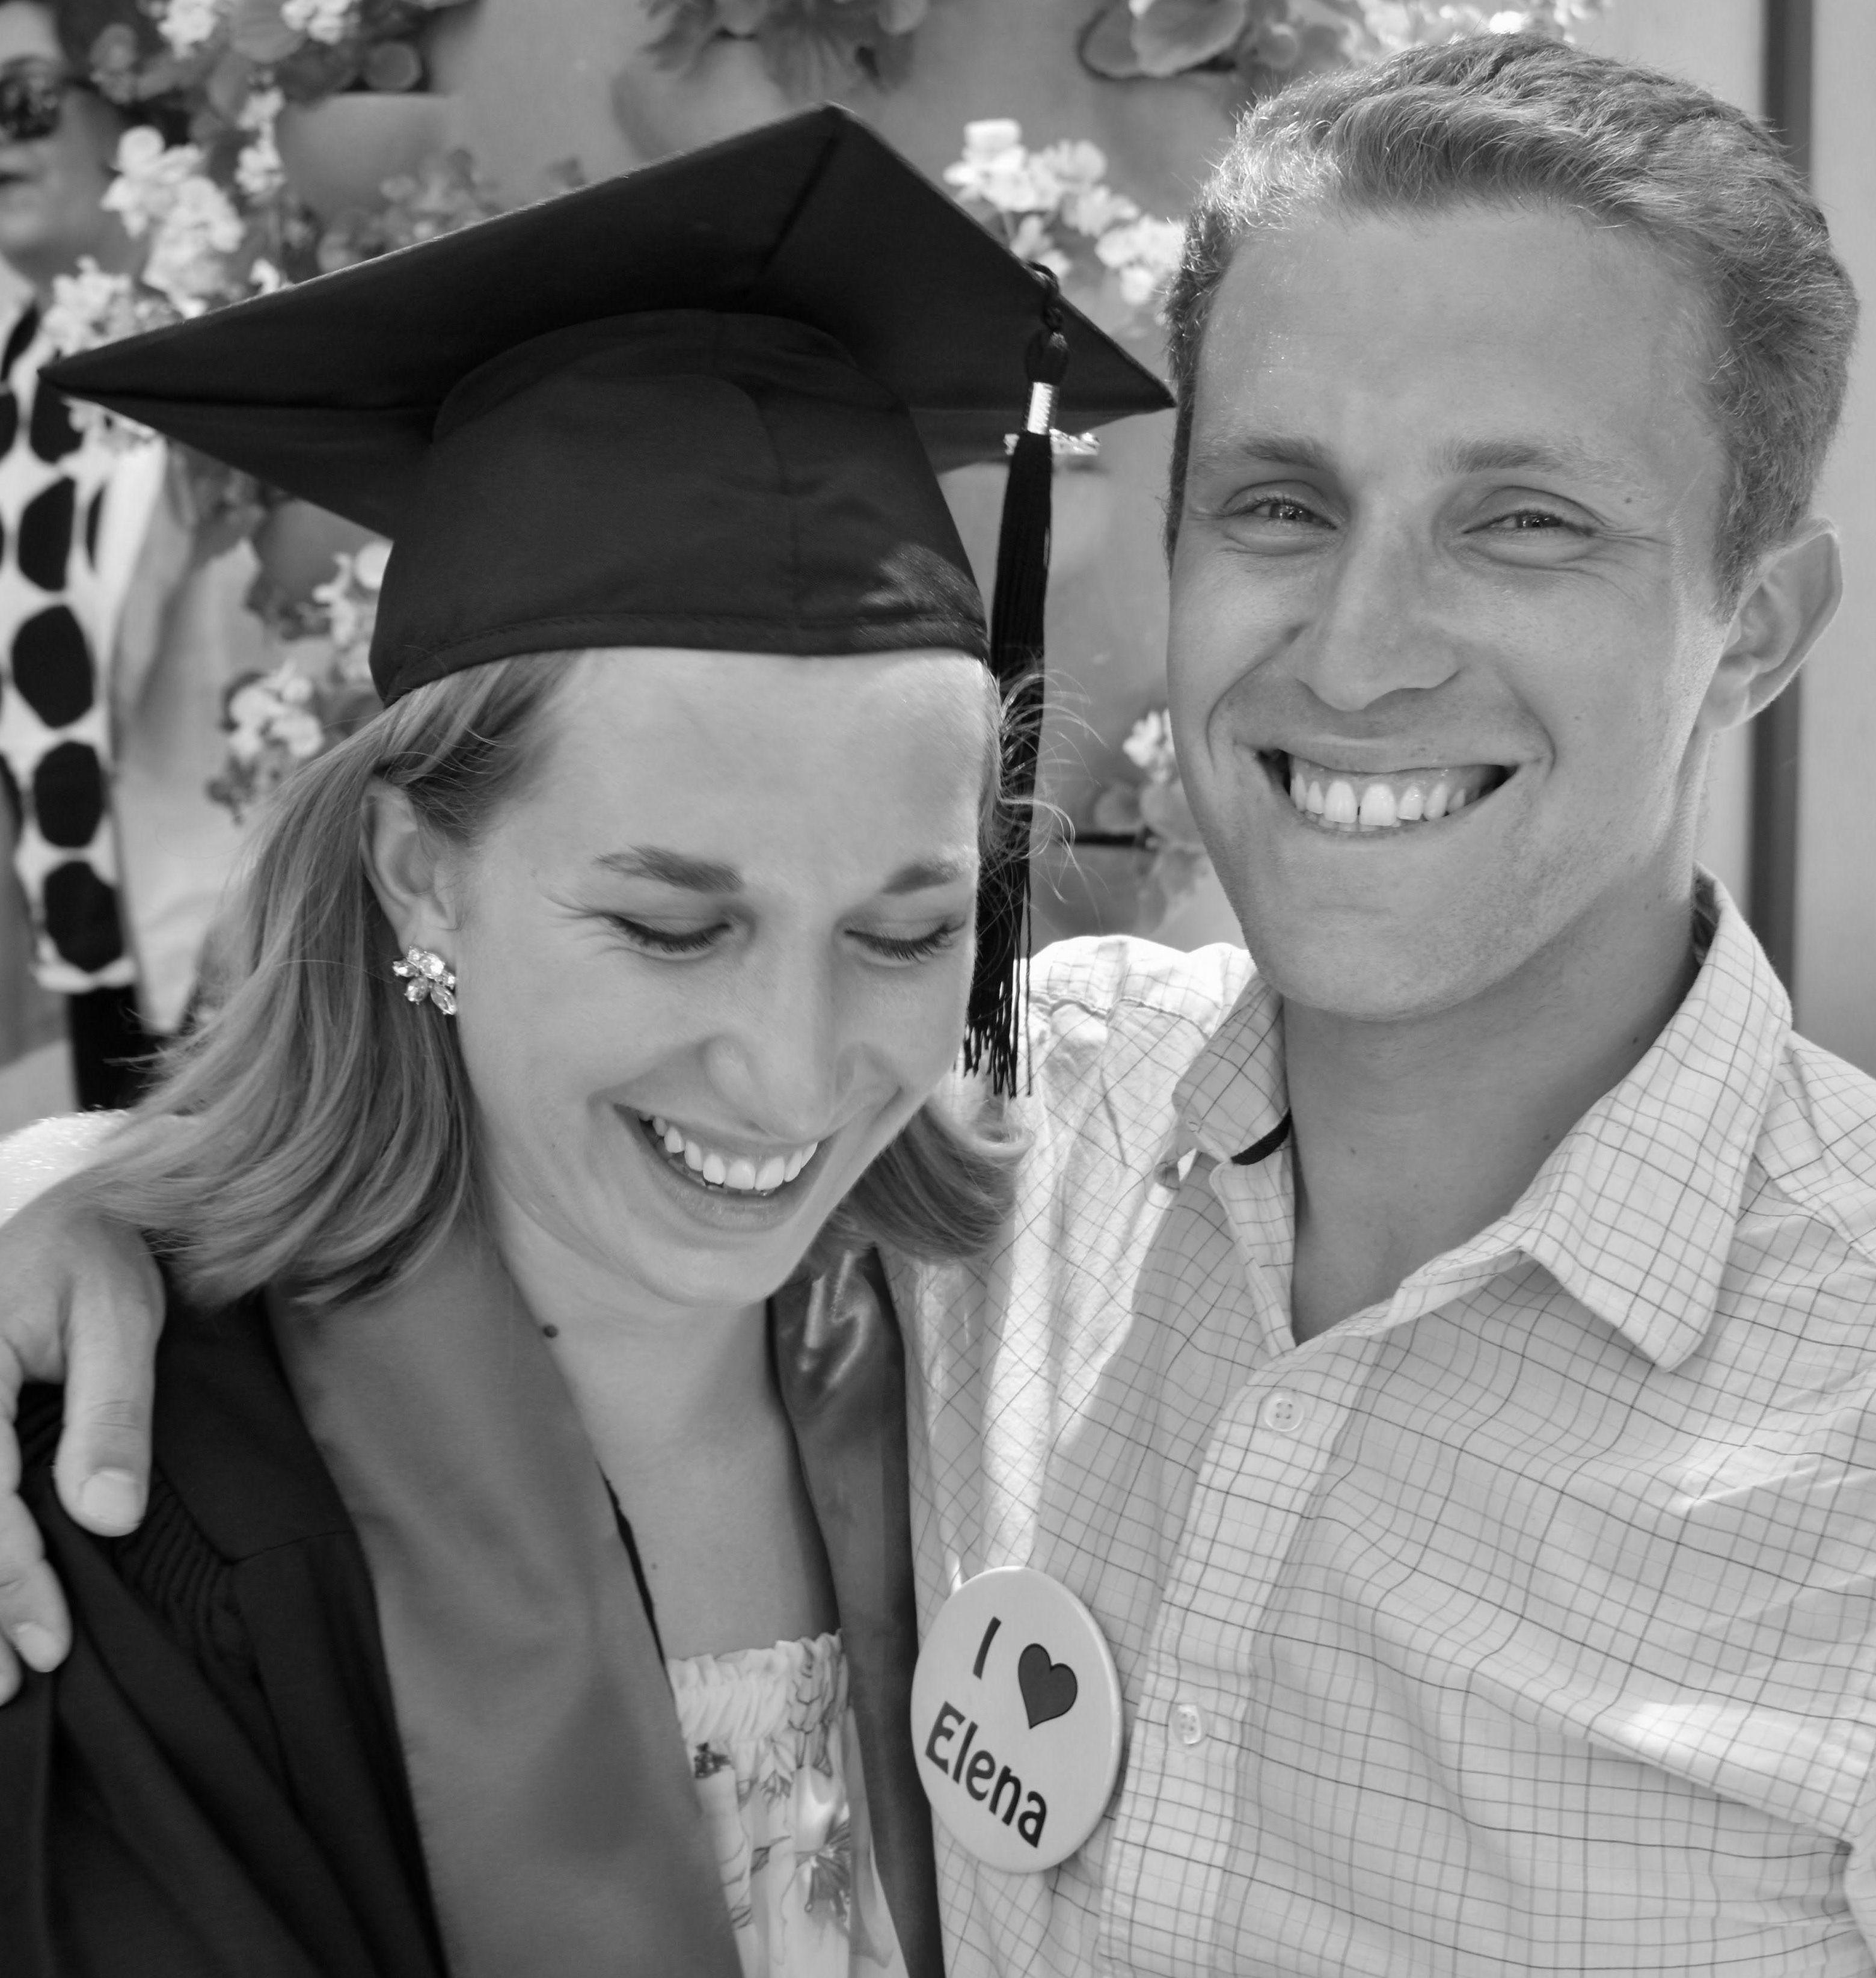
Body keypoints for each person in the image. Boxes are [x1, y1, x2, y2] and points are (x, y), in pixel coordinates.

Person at [0, 34, 1876, 1978]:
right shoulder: (1029, 1160)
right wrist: (71, 1203)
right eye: (1279, 503)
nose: (1359, 656)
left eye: (1525, 517)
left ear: (1756, 630)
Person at [0, 105, 1166, 1976]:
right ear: (418, 876)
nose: (794, 1075)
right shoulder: (141, 1515)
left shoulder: (1021, 1326)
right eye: (669, 922)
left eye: (908, 929)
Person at [0, 0, 273, 1107]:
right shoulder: (19, 364)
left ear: (130, 100)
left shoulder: (233, 321)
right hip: (90, 922)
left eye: (19, 101)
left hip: (247, 935)